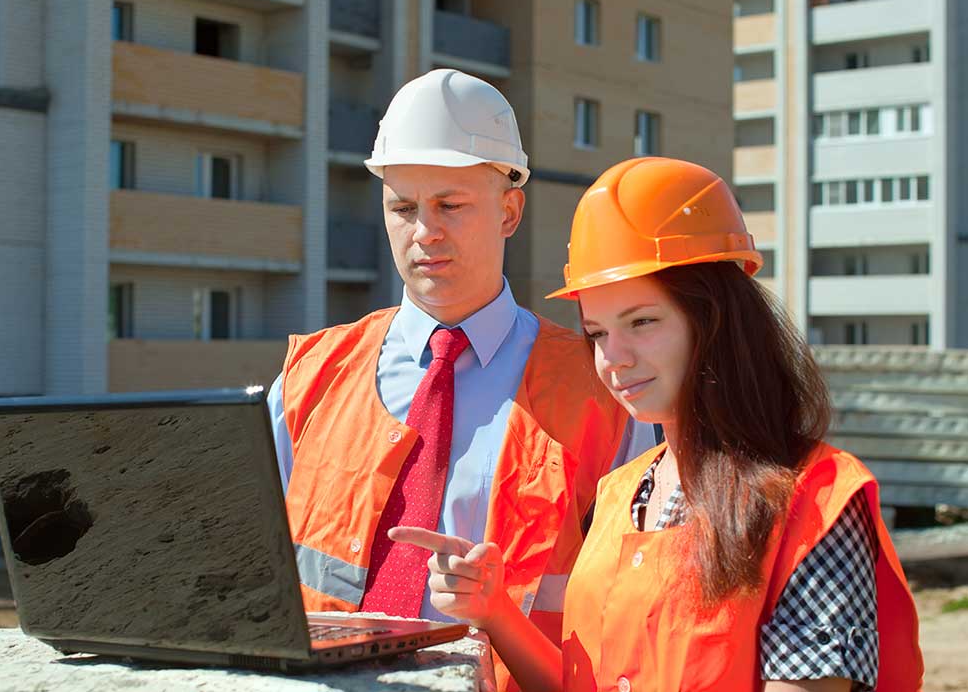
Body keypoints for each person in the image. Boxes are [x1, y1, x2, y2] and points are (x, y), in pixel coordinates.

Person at [392, 157, 924, 691]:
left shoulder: (820, 502)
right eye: (597, 333)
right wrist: (495, 611)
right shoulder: (621, 492)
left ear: (716, 321)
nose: (613, 358)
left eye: (641, 322)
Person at [266, 69, 656, 690]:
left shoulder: (606, 390)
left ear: (509, 210)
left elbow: (637, 611)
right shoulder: (309, 377)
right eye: (403, 207)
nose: (426, 231)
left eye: (450, 204)